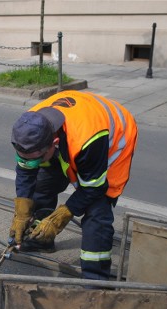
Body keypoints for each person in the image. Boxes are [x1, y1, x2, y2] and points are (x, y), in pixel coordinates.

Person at [9, 90, 137, 280]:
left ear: (55, 143)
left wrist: (60, 217)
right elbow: (26, 171)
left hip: (113, 140)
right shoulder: (30, 127)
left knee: (97, 210)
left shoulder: (89, 139)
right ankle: (41, 239)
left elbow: (93, 188)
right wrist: (22, 213)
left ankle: (96, 280)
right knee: (41, 182)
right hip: (74, 125)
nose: (31, 164)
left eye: (36, 159)